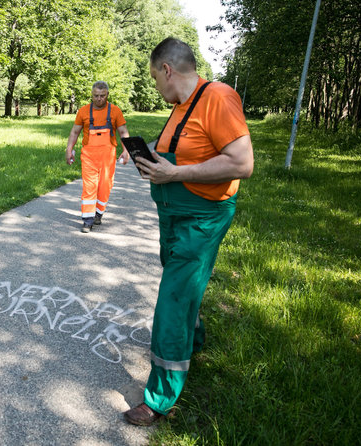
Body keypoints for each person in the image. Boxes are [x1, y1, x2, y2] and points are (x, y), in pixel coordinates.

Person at [123, 37, 254, 425]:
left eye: (154, 77)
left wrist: (174, 172)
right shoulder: (183, 106)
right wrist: (147, 154)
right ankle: (193, 340)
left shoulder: (218, 96)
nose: (155, 86)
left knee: (173, 299)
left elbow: (241, 163)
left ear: (167, 70)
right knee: (183, 287)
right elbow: (185, 149)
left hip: (202, 218)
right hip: (175, 215)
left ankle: (160, 397)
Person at [65, 81, 131, 233]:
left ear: (107, 94)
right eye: (96, 96)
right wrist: (69, 149)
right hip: (88, 155)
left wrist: (126, 151)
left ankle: (98, 213)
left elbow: (123, 132)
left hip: (108, 155)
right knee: (89, 186)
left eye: (102, 96)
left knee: (105, 185)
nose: (99, 99)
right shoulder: (83, 111)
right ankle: (87, 220)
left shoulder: (115, 111)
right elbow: (74, 132)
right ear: (92, 95)